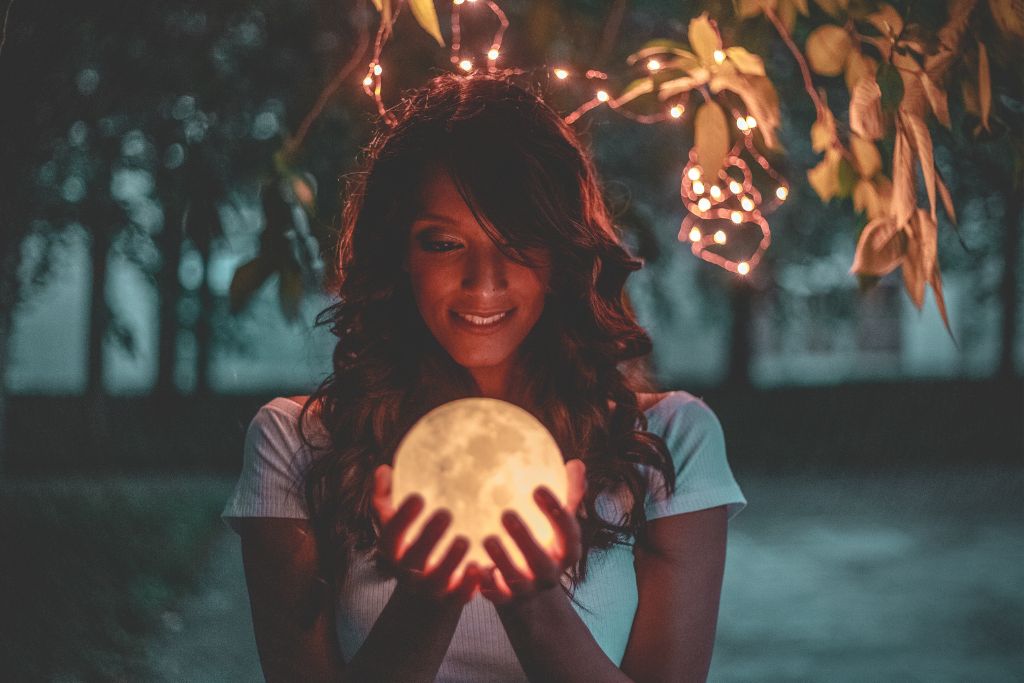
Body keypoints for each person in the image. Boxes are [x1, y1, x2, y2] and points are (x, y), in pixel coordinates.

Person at [222, 72, 747, 682]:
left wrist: (534, 602)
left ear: (562, 256)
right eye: (444, 243)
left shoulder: (668, 441)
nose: (484, 280)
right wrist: (427, 597)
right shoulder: (298, 444)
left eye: (519, 241)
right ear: (398, 255)